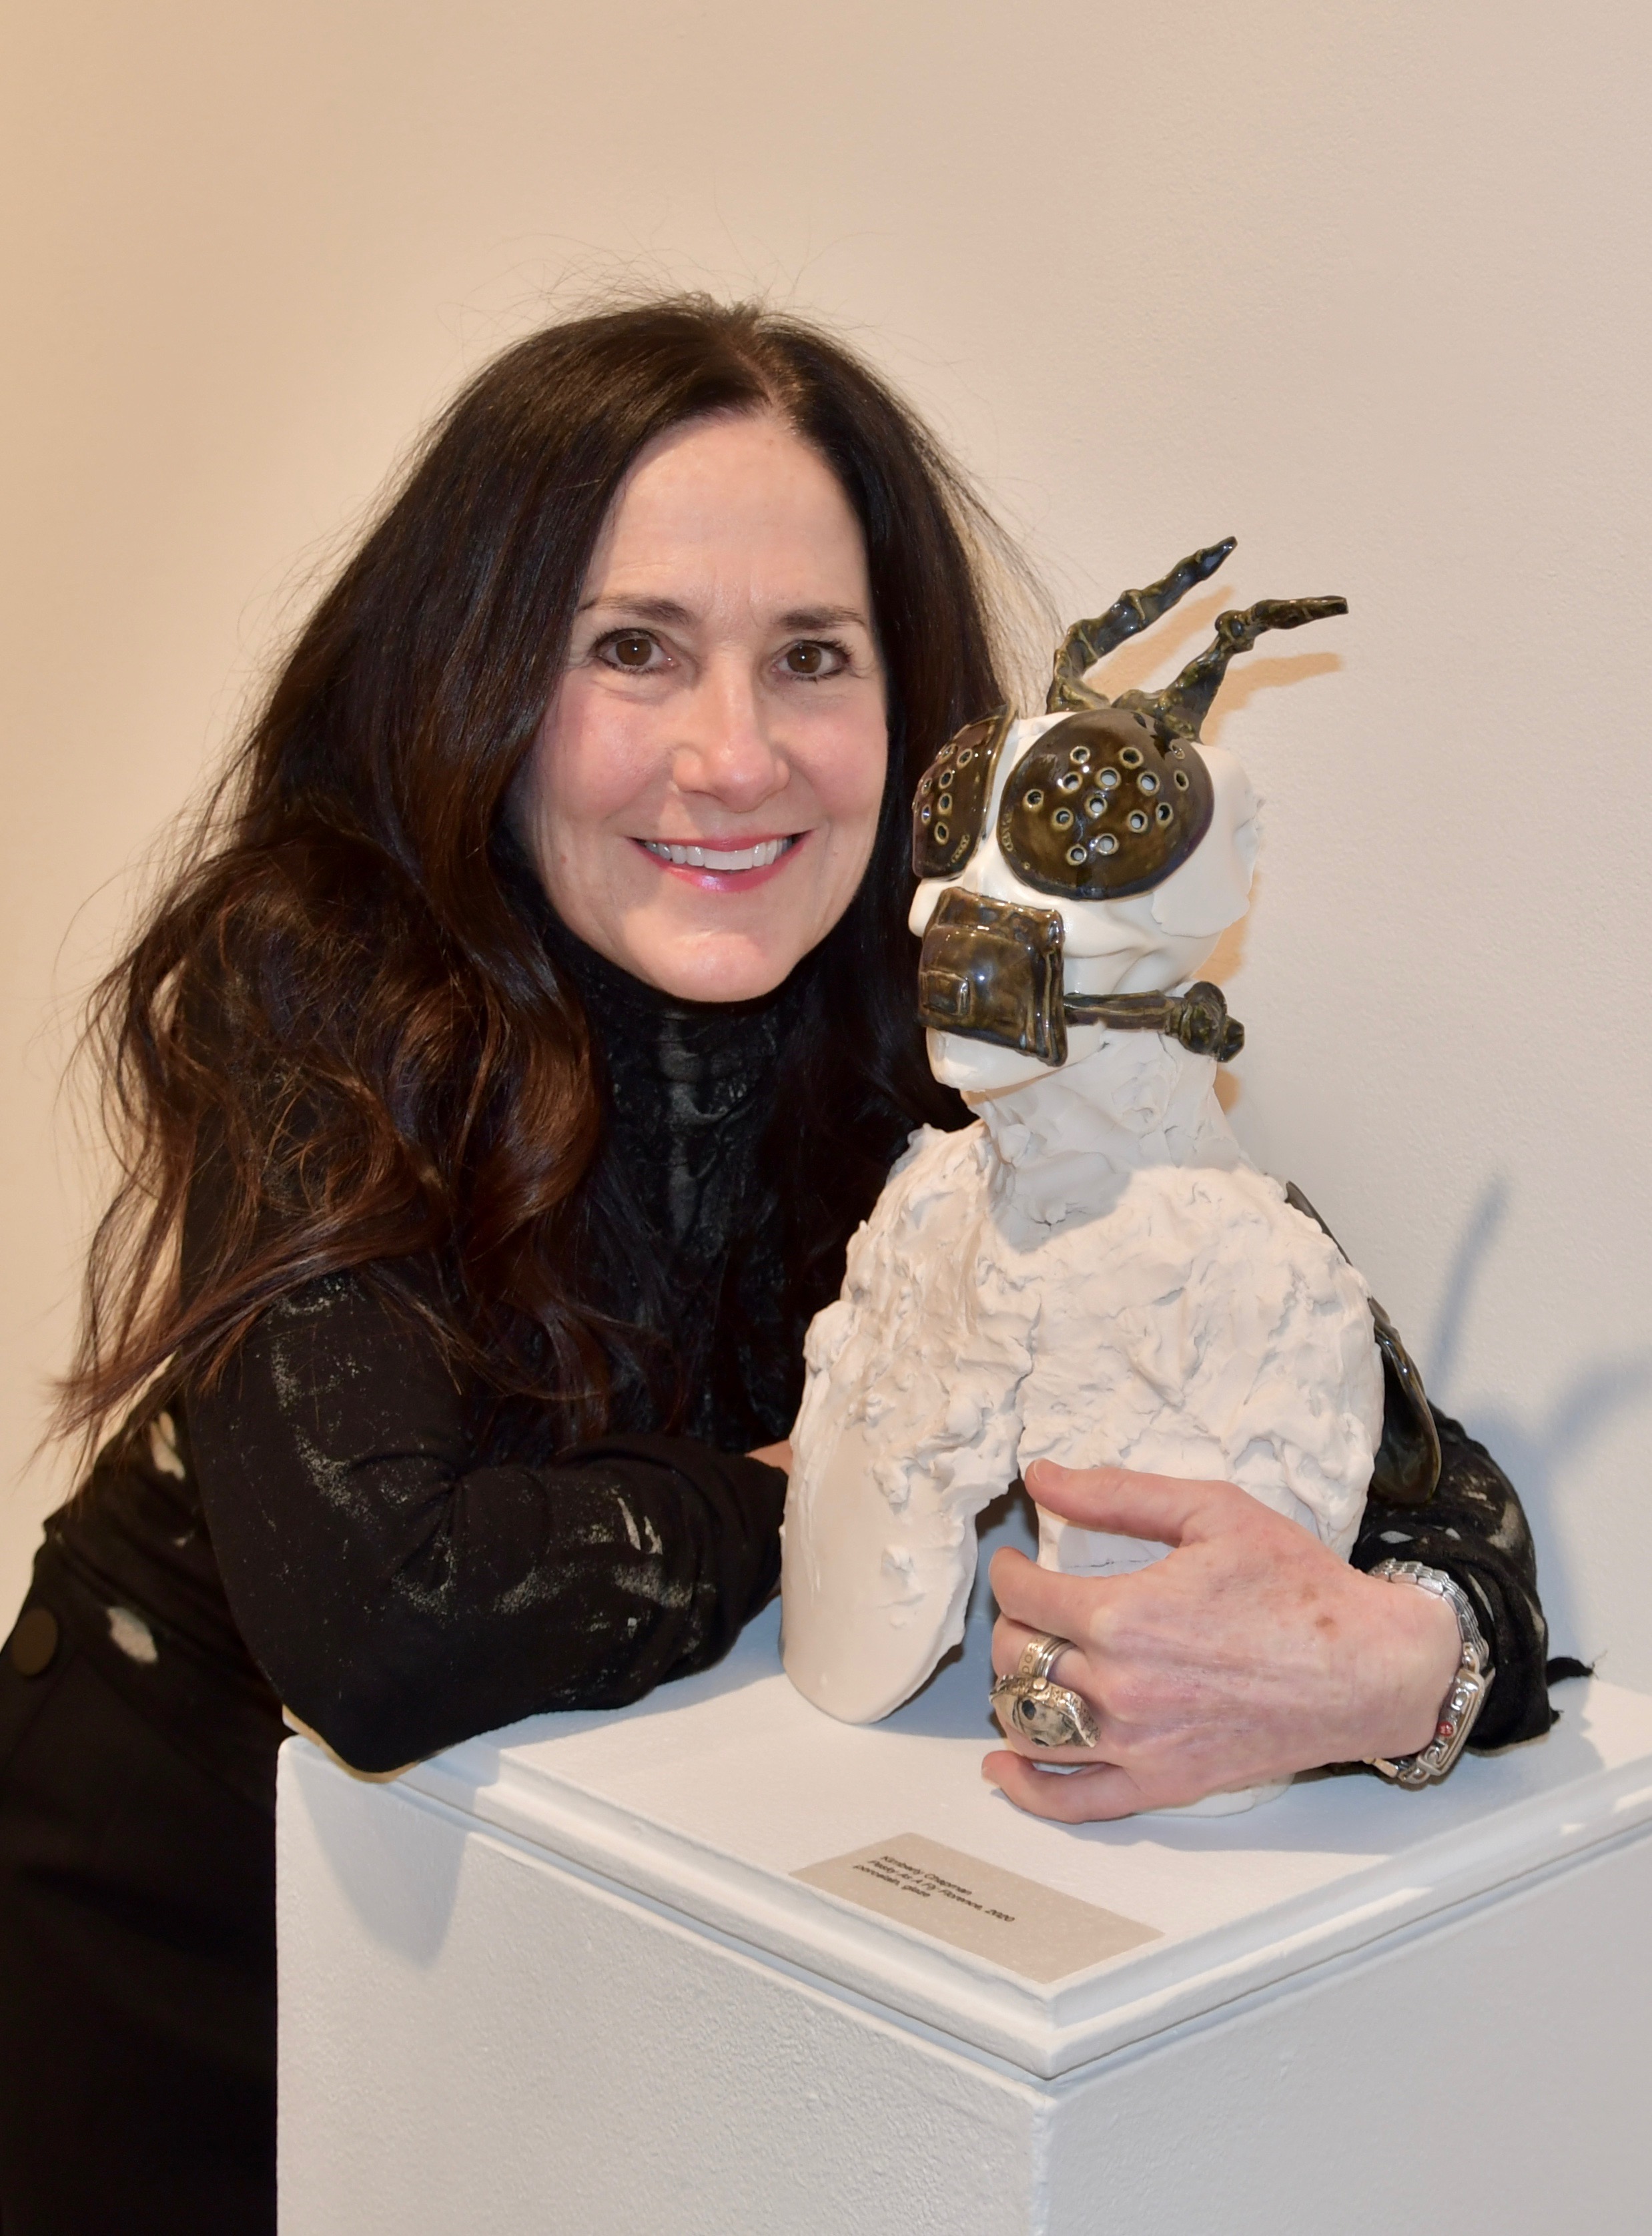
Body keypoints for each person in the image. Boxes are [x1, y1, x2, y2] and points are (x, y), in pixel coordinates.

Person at [0, 298, 1557, 2233]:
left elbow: (1430, 1501)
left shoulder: (962, 1018)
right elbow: (392, 1622)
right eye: (631, 650)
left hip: (564, 1960)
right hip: (163, 1904)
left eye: (810, 658)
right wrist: (806, 1484)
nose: (733, 758)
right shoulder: (321, 974)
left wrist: (1393, 1668)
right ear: (479, 675)